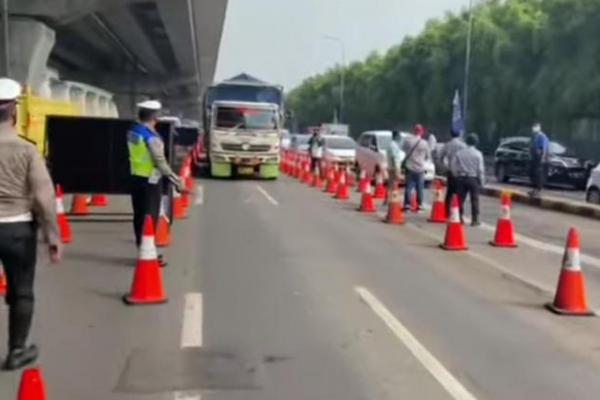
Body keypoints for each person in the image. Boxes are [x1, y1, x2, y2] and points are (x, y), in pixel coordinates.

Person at [0, 78, 62, 370]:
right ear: (14, 111)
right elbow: (44, 197)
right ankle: (16, 351)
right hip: (17, 230)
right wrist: (53, 236)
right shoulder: (27, 150)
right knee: (22, 290)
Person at [128, 100, 184, 265]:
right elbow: (160, 161)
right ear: (154, 117)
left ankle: (142, 249)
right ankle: (148, 255)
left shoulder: (133, 131)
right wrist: (175, 180)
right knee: (149, 218)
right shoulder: (151, 137)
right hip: (150, 182)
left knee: (139, 216)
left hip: (136, 178)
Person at [451, 133, 485, 226]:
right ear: (476, 142)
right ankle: (475, 219)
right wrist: (482, 182)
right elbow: (480, 170)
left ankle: (459, 217)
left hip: (461, 178)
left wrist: (456, 175)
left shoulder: (459, 153)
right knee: (474, 199)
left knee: (460, 199)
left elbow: (453, 166)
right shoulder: (478, 154)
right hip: (473, 178)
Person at [401, 124, 431, 212]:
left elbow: (403, 150)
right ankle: (420, 205)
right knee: (420, 188)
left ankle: (407, 205)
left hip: (410, 167)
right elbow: (428, 156)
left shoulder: (408, 141)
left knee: (408, 187)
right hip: (420, 168)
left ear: (414, 131)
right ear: (421, 132)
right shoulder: (424, 143)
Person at [439, 129, 467, 216]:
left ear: (450, 135)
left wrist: (445, 167)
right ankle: (458, 213)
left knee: (449, 193)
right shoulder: (463, 145)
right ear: (459, 135)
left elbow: (440, 157)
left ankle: (446, 212)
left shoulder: (447, 145)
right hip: (460, 173)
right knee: (459, 194)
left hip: (450, 171)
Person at [529, 122, 549, 198]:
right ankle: (534, 190)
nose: (533, 128)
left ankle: (538, 191)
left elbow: (543, 148)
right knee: (532, 173)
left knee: (538, 174)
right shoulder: (535, 136)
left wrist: (542, 158)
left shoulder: (542, 136)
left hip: (539, 158)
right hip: (534, 158)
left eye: (535, 126)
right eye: (533, 126)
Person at [386, 130, 404, 197]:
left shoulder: (391, 144)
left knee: (391, 184)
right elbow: (394, 158)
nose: (400, 138)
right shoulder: (394, 146)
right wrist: (397, 170)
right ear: (396, 136)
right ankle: (392, 199)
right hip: (394, 168)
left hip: (391, 167)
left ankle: (387, 199)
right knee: (393, 184)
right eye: (399, 136)